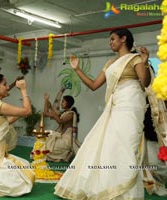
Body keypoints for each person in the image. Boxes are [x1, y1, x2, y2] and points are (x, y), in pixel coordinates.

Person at [54, 28, 151, 199]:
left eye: (113, 39)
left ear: (123, 39)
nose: (110, 42)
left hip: (131, 107)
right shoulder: (110, 63)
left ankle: (124, 190)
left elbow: (144, 83)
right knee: (109, 146)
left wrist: (144, 62)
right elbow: (93, 85)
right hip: (114, 107)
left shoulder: (135, 59)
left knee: (127, 147)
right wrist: (77, 70)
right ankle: (108, 188)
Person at [142, 66, 167, 197]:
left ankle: (161, 180)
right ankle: (154, 182)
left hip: (160, 127)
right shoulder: (141, 89)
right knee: (150, 160)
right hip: (146, 128)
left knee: (161, 160)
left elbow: (166, 107)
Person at [43, 86, 80, 162]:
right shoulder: (63, 113)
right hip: (61, 137)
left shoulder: (71, 114)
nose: (61, 103)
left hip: (66, 140)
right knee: (45, 141)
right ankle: (65, 155)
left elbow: (60, 121)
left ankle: (67, 154)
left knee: (48, 147)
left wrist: (53, 113)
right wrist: (46, 100)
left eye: (63, 102)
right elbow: (46, 113)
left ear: (68, 103)